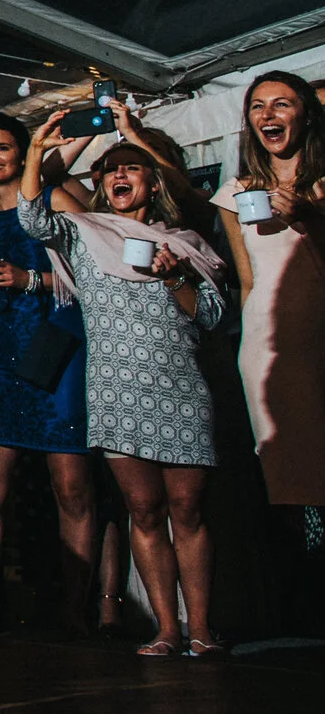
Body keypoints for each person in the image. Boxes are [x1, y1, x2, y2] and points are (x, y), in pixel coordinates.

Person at [23, 109, 232, 657]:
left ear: (153, 180)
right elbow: (32, 215)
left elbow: (207, 316)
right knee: (143, 510)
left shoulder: (186, 241)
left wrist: (177, 275)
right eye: (108, 169)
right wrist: (39, 148)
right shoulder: (85, 231)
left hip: (180, 386)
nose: (116, 175)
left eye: (130, 167)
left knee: (188, 508)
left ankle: (202, 628)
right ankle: (166, 628)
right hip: (117, 391)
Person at [0, 110, 97, 636]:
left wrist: (30, 278)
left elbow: (101, 273)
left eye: (2, 148)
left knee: (72, 489)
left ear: (23, 154)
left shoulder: (55, 201)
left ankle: (76, 611)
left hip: (56, 349)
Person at [222, 71, 325, 511]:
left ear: (306, 116)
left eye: (282, 103)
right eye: (258, 106)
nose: (268, 114)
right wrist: (246, 350)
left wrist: (310, 217)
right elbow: (247, 282)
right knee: (287, 479)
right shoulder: (237, 194)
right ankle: (307, 569)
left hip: (319, 334)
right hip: (268, 347)